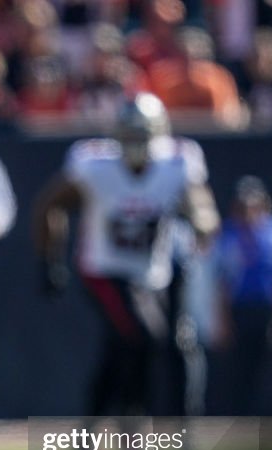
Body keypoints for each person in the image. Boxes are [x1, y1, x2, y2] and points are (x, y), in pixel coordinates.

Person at [34, 93, 218, 419]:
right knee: (145, 336)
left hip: (149, 273)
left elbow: (199, 203)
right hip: (103, 270)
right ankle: (131, 423)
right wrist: (51, 260)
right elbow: (50, 205)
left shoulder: (177, 163)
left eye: (142, 135)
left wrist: (202, 223)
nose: (136, 144)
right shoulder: (94, 166)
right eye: (130, 135)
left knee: (124, 347)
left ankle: (94, 428)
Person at [213, 176, 272, 415]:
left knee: (268, 368)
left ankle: (266, 420)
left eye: (253, 206)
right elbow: (222, 282)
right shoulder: (229, 235)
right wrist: (222, 320)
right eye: (242, 207)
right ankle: (241, 420)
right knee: (239, 370)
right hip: (240, 310)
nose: (248, 213)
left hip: (268, 310)